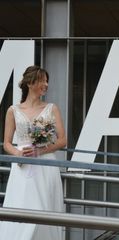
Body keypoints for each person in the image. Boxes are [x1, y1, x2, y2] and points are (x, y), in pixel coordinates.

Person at [0, 65, 67, 240]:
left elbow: (62, 140)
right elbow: (6, 143)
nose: (46, 84)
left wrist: (40, 150)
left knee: (44, 208)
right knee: (22, 207)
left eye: (47, 81)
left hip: (45, 166)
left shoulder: (52, 108)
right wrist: (17, 153)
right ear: (30, 83)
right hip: (22, 167)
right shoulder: (13, 111)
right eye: (42, 81)